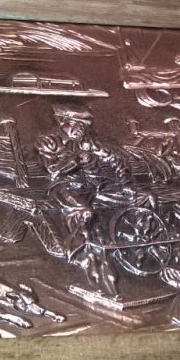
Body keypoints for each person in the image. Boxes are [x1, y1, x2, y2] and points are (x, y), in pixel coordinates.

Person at [35, 103, 136, 259]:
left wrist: (126, 181)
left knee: (142, 197)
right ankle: (79, 249)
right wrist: (76, 160)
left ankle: (133, 240)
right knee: (83, 210)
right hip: (65, 186)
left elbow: (115, 158)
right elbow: (52, 169)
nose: (80, 129)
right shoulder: (49, 141)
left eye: (83, 125)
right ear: (62, 121)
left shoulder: (88, 142)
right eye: (76, 123)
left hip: (94, 187)